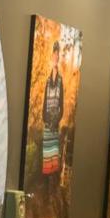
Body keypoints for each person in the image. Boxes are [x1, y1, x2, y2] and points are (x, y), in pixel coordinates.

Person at [41, 39, 65, 184]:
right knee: (46, 156)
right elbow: (44, 103)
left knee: (53, 157)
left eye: (57, 55)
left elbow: (62, 105)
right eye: (53, 56)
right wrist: (45, 119)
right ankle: (45, 187)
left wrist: (56, 120)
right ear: (51, 58)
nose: (55, 58)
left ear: (59, 58)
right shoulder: (47, 81)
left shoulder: (61, 81)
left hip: (55, 123)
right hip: (47, 122)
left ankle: (51, 187)